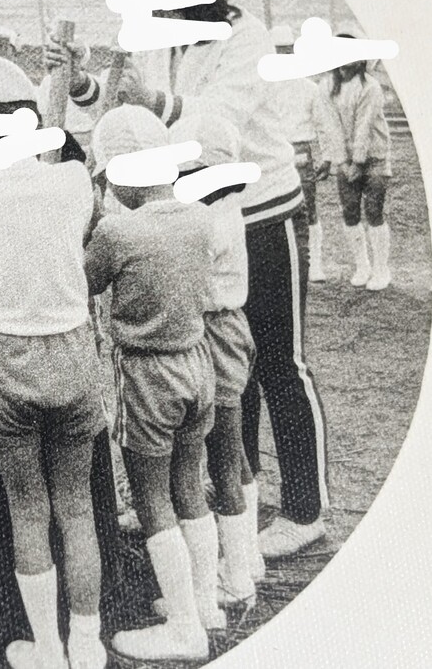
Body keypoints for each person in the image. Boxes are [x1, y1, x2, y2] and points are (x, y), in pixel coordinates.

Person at [83, 0, 328, 560]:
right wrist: (89, 89)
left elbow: (215, 123)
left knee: (280, 363)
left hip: (264, 212)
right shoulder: (163, 37)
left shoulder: (246, 36)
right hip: (197, 222)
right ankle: (236, 497)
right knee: (223, 371)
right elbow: (134, 119)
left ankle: (306, 510)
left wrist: (152, 101)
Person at [0, 58, 108, 669]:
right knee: (77, 506)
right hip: (72, 349)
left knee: (28, 507)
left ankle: (46, 647)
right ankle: (87, 644)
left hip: (4, 354)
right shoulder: (72, 182)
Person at [85, 105, 218, 663]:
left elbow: (84, 281)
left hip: (147, 374)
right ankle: (204, 603)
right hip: (198, 364)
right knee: (190, 486)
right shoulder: (200, 217)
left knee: (152, 498)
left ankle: (185, 631)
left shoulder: (117, 231)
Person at [169, 113, 263, 606]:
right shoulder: (228, 207)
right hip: (230, 329)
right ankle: (247, 557)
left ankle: (236, 577)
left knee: (223, 455)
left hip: (213, 332)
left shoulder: (205, 222)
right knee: (233, 451)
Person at [316, 28, 393, 291]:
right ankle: (363, 266)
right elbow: (331, 127)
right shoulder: (326, 87)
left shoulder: (370, 87)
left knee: (373, 211)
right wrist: (342, 162)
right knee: (350, 212)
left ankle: (381, 269)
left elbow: (364, 126)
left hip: (374, 158)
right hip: (346, 162)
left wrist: (358, 162)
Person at [270, 24, 331, 282]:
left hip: (300, 152)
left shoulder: (309, 88)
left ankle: (314, 264)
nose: (282, 56)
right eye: (278, 51)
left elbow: (323, 124)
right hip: (273, 153)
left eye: (286, 51)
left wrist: (327, 156)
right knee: (275, 206)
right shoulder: (264, 87)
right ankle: (283, 264)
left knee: (308, 209)